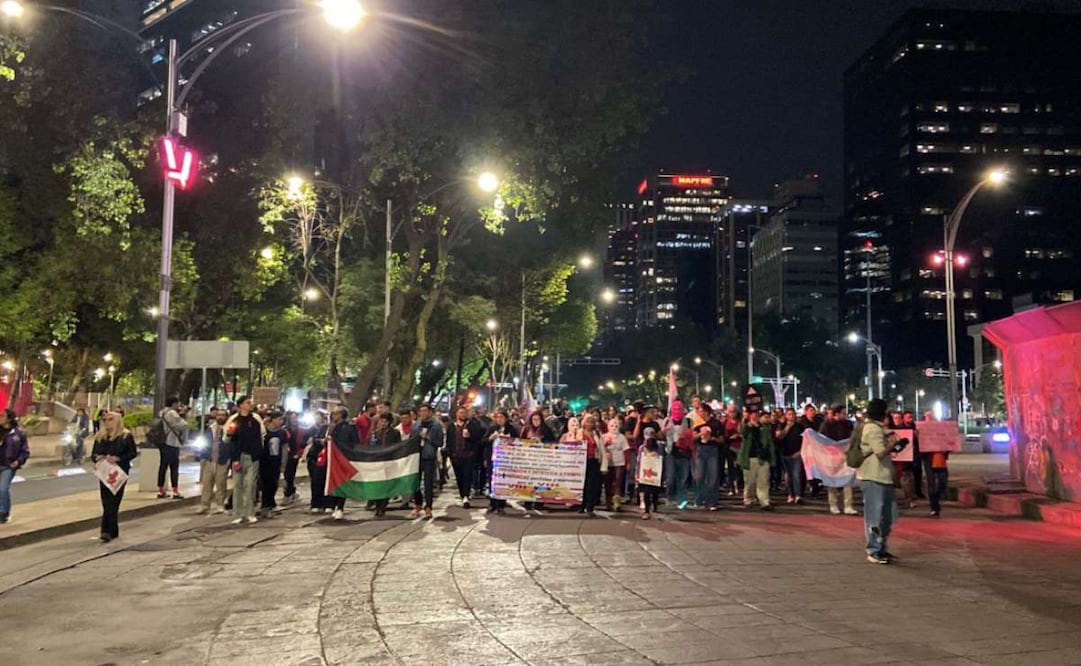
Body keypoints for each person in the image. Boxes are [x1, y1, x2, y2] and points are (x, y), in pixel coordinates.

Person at [858, 399, 903, 564]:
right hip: (874, 476)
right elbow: (880, 453)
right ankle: (874, 550)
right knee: (875, 516)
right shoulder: (872, 429)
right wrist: (893, 445)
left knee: (887, 515)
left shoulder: (877, 428)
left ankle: (881, 547)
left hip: (882, 476)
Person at [91, 411, 137, 542]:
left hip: (119, 471)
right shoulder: (100, 436)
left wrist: (119, 458)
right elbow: (94, 454)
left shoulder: (125, 436)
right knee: (106, 501)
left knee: (114, 501)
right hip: (105, 471)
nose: (106, 422)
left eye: (110, 419)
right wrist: (98, 458)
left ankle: (108, 530)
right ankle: (109, 530)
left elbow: (132, 453)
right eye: (105, 419)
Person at [225, 396, 264, 525]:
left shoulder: (256, 419)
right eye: (247, 403)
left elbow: (262, 436)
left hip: (252, 457)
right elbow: (228, 439)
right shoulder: (234, 420)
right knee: (238, 485)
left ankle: (250, 512)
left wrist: (258, 453)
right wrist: (234, 459)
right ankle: (238, 513)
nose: (250, 405)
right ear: (241, 405)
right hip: (238, 456)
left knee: (250, 485)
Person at [820, 405, 858, 515]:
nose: (845, 415)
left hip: (845, 455)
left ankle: (848, 505)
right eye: (843, 413)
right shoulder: (827, 424)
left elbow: (852, 436)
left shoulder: (848, 424)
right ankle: (833, 505)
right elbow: (822, 439)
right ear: (836, 414)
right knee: (832, 481)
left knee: (848, 480)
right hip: (831, 456)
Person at [409, 404, 444, 519]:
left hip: (429, 457)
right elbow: (411, 438)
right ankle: (418, 504)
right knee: (416, 482)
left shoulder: (436, 425)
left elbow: (440, 442)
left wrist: (428, 437)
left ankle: (428, 506)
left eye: (425, 411)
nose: (423, 413)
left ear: (430, 412)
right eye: (421, 411)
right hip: (417, 456)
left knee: (428, 483)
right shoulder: (416, 425)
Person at [738, 410, 776, 510]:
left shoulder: (764, 428)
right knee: (750, 482)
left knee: (763, 481)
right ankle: (748, 499)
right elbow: (742, 432)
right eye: (752, 414)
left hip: (763, 458)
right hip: (749, 457)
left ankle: (764, 501)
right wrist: (746, 421)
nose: (754, 416)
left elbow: (769, 442)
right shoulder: (746, 427)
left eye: (756, 414)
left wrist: (772, 457)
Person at [484, 409, 520, 515]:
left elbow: (518, 442)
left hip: (505, 460)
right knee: (492, 481)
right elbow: (483, 442)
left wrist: (510, 441)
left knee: (503, 481)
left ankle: (501, 504)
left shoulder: (511, 429)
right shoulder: (492, 428)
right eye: (497, 417)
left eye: (501, 417)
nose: (499, 420)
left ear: (506, 419)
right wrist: (490, 438)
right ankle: (492, 503)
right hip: (493, 459)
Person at [196, 408, 230, 515]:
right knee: (207, 483)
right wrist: (203, 457)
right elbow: (205, 442)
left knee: (221, 483)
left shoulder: (228, 429)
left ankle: (220, 504)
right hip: (209, 460)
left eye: (223, 415)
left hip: (222, 460)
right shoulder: (210, 428)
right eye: (218, 415)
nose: (220, 417)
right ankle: (205, 505)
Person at [328, 406, 360, 520]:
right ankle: (333, 504)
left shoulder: (350, 428)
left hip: (345, 458)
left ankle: (340, 506)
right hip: (333, 458)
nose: (333, 416)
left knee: (343, 483)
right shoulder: (331, 427)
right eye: (333, 414)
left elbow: (355, 443)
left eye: (336, 414)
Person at [368, 411, 402, 517]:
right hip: (378, 462)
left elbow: (398, 447)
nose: (383, 423)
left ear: (389, 422)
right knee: (378, 485)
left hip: (390, 461)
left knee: (387, 486)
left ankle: (382, 506)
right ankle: (377, 506)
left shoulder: (395, 433)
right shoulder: (376, 433)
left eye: (385, 421)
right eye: (381, 421)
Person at [0, 409, 31, 524]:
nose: (0, 418)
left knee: (3, 489)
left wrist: (18, 461)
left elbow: (25, 451)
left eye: (2, 416)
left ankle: (3, 513)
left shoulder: (19, 434)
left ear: (9, 419)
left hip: (8, 466)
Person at [156, 397, 189, 499]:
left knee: (163, 466)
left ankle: (161, 490)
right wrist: (183, 413)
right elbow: (183, 425)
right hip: (172, 442)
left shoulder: (162, 413)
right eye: (177, 404)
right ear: (174, 404)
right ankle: (175, 491)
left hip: (163, 442)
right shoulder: (172, 413)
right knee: (174, 467)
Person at [695, 404, 726, 510]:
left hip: (712, 451)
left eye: (701, 410)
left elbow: (722, 439)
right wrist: (700, 435)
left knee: (713, 477)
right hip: (700, 450)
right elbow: (693, 437)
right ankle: (700, 498)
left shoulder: (716, 423)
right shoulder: (697, 422)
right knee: (699, 476)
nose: (699, 413)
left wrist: (712, 438)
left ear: (707, 412)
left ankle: (712, 501)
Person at [447, 406, 478, 508]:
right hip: (456, 456)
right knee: (459, 477)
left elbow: (477, 438)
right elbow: (449, 441)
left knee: (467, 476)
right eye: (460, 413)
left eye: (464, 413)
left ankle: (466, 496)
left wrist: (470, 436)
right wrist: (450, 453)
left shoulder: (471, 425)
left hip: (468, 455)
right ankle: (462, 495)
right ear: (456, 414)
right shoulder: (451, 426)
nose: (462, 415)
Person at [775, 408, 805, 504]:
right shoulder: (781, 425)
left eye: (793, 414)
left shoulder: (800, 427)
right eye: (789, 414)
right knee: (789, 475)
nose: (791, 416)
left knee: (796, 474)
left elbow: (805, 440)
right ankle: (790, 494)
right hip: (785, 453)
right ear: (786, 415)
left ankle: (798, 495)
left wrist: (800, 451)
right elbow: (779, 436)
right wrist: (787, 427)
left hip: (797, 454)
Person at [259, 412, 286, 519]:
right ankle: (265, 506)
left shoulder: (282, 433)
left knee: (274, 484)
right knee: (266, 485)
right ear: (273, 420)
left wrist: (283, 463)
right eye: (279, 419)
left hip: (276, 462)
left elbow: (284, 448)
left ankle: (270, 505)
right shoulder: (264, 431)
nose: (281, 422)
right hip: (265, 462)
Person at [305, 411, 330, 514]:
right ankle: (316, 503)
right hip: (314, 457)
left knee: (324, 481)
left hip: (326, 458)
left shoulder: (328, 428)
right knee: (315, 482)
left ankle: (326, 503)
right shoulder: (311, 429)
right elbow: (308, 441)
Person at [579, 415, 605, 517]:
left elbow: (602, 450)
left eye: (592, 422)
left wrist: (604, 465)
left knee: (592, 485)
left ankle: (590, 507)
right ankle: (581, 505)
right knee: (582, 484)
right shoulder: (578, 433)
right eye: (588, 422)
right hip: (580, 461)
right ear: (584, 422)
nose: (590, 424)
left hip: (593, 461)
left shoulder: (597, 434)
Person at [603, 418, 629, 511]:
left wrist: (628, 462)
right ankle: (608, 502)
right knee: (608, 483)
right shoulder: (604, 436)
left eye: (616, 426)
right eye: (612, 426)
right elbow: (600, 450)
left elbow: (626, 450)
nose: (614, 427)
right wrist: (605, 444)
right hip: (608, 463)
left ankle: (617, 503)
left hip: (619, 462)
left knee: (618, 482)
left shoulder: (622, 437)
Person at [637, 434, 663, 519]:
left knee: (655, 491)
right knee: (646, 492)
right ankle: (647, 511)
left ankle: (655, 505)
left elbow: (662, 463)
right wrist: (637, 473)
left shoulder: (659, 449)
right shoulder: (641, 449)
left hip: (656, 475)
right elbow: (638, 462)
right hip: (645, 475)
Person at [281, 411, 304, 505]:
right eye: (292, 418)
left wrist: (298, 454)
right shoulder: (284, 430)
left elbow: (302, 443)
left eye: (295, 418)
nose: (294, 420)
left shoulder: (300, 430)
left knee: (290, 475)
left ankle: (289, 494)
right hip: (286, 455)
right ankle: (290, 492)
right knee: (287, 474)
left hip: (294, 455)